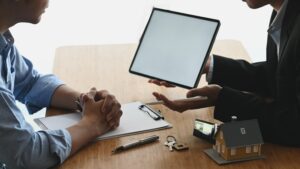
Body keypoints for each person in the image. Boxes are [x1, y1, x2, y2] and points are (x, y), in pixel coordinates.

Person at [150, 0, 300, 146]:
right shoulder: (285, 10)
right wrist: (209, 66)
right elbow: (281, 74)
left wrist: (222, 98)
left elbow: (295, 125)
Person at [0, 0, 122, 168]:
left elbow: (30, 82)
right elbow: (25, 154)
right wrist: (92, 125)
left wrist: (85, 100)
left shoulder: (2, 40)